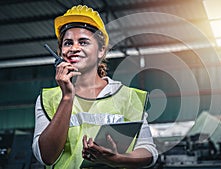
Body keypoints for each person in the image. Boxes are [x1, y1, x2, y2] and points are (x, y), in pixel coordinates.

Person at [32, 5, 158, 169]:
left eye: (83, 42)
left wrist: (115, 159)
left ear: (101, 51)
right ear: (61, 52)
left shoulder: (129, 97)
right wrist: (67, 97)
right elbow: (46, 156)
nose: (74, 48)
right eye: (68, 43)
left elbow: (149, 152)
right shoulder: (48, 99)